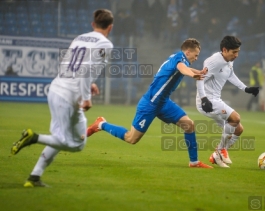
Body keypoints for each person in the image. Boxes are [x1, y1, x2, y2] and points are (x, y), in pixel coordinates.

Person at [10, 9, 114, 187]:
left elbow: (73, 66)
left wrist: (87, 85)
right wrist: (86, 97)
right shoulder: (105, 44)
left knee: (59, 138)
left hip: (56, 88)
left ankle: (34, 177)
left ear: (93, 24)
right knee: (77, 144)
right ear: (110, 27)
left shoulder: (80, 38)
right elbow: (86, 70)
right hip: (70, 97)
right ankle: (34, 138)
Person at [87, 38, 212, 168]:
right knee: (131, 138)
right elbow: (182, 69)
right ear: (188, 52)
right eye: (196, 55)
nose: (197, 58)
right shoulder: (179, 61)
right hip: (150, 103)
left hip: (164, 103)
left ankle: (194, 162)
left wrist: (199, 72)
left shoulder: (180, 58)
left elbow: (185, 68)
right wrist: (193, 76)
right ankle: (101, 124)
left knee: (189, 124)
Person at [196, 35, 259, 168]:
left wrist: (245, 88)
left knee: (238, 129)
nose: (236, 55)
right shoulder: (213, 61)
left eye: (238, 52)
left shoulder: (229, 60)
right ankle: (220, 151)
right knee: (236, 118)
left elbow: (230, 74)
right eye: (234, 52)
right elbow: (200, 79)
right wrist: (204, 99)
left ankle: (216, 155)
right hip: (207, 100)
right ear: (224, 50)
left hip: (215, 99)